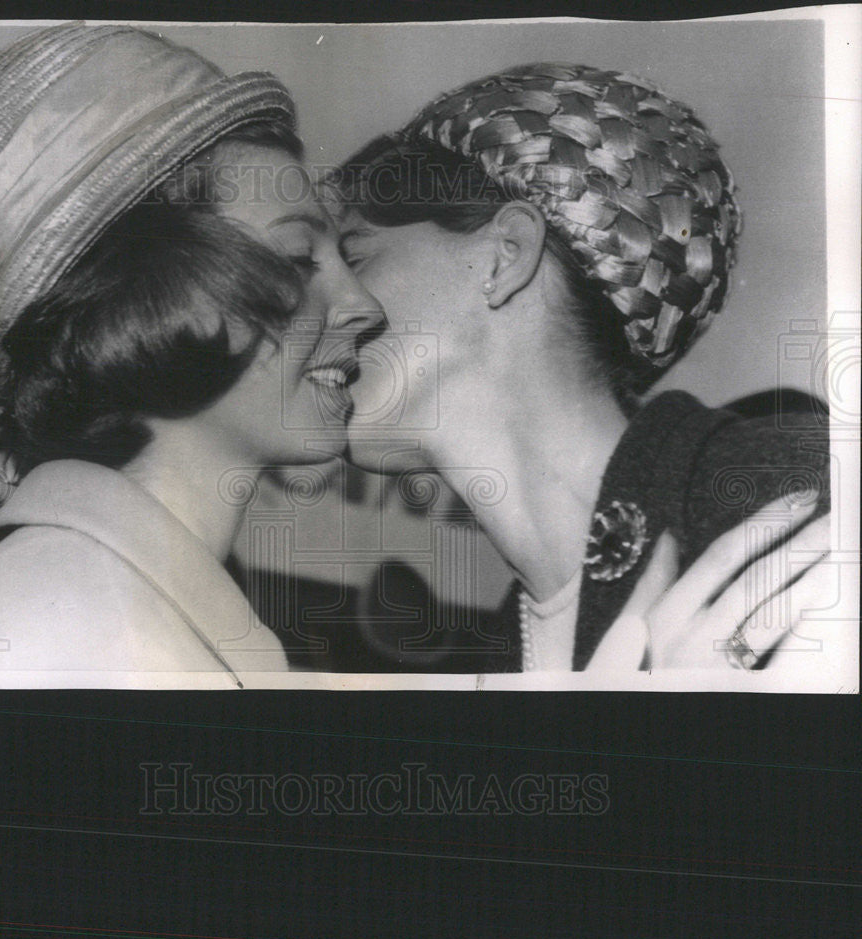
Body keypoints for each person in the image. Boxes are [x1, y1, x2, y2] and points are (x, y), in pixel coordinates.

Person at [0, 23, 383, 686]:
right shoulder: (79, 634)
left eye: (346, 260)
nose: (364, 306)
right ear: (140, 294)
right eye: (299, 258)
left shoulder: (109, 606)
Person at [334, 63, 831, 672]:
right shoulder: (494, 662)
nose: (321, 305)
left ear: (506, 255)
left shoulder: (797, 487)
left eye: (353, 258)